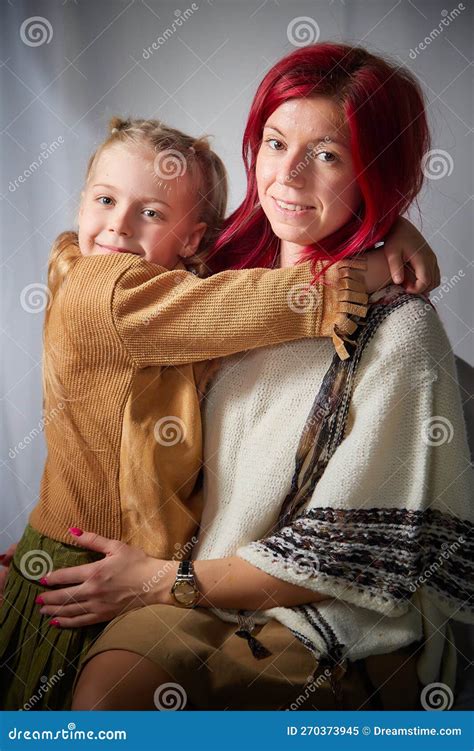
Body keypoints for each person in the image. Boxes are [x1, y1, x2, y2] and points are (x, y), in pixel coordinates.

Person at [0, 58, 446, 710]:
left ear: (376, 170)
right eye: (274, 143)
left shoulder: (394, 331)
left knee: (109, 697)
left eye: (326, 154)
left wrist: (159, 579)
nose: (287, 176)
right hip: (151, 562)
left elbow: (345, 552)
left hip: (293, 602)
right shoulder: (206, 281)